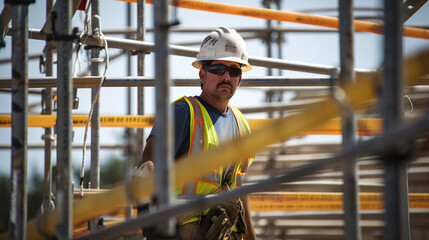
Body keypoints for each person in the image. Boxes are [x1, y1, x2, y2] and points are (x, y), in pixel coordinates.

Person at [137, 26, 257, 240]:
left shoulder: (242, 125)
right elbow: (147, 167)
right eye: (219, 69)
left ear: (240, 78)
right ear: (203, 74)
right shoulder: (182, 113)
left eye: (235, 71)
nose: (227, 77)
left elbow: (239, 191)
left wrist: (251, 237)